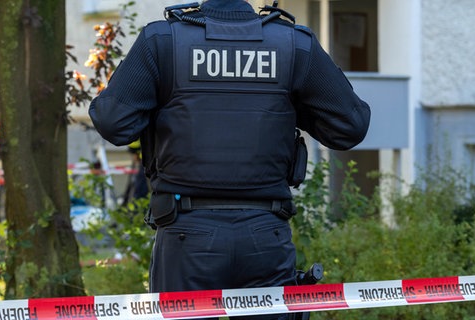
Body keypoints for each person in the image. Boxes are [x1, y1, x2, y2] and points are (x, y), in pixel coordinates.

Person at [89, 0, 370, 319]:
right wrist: (288, 102)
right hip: (265, 234)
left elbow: (112, 121)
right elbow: (351, 126)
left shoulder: (164, 41)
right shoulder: (292, 44)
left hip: (186, 233)